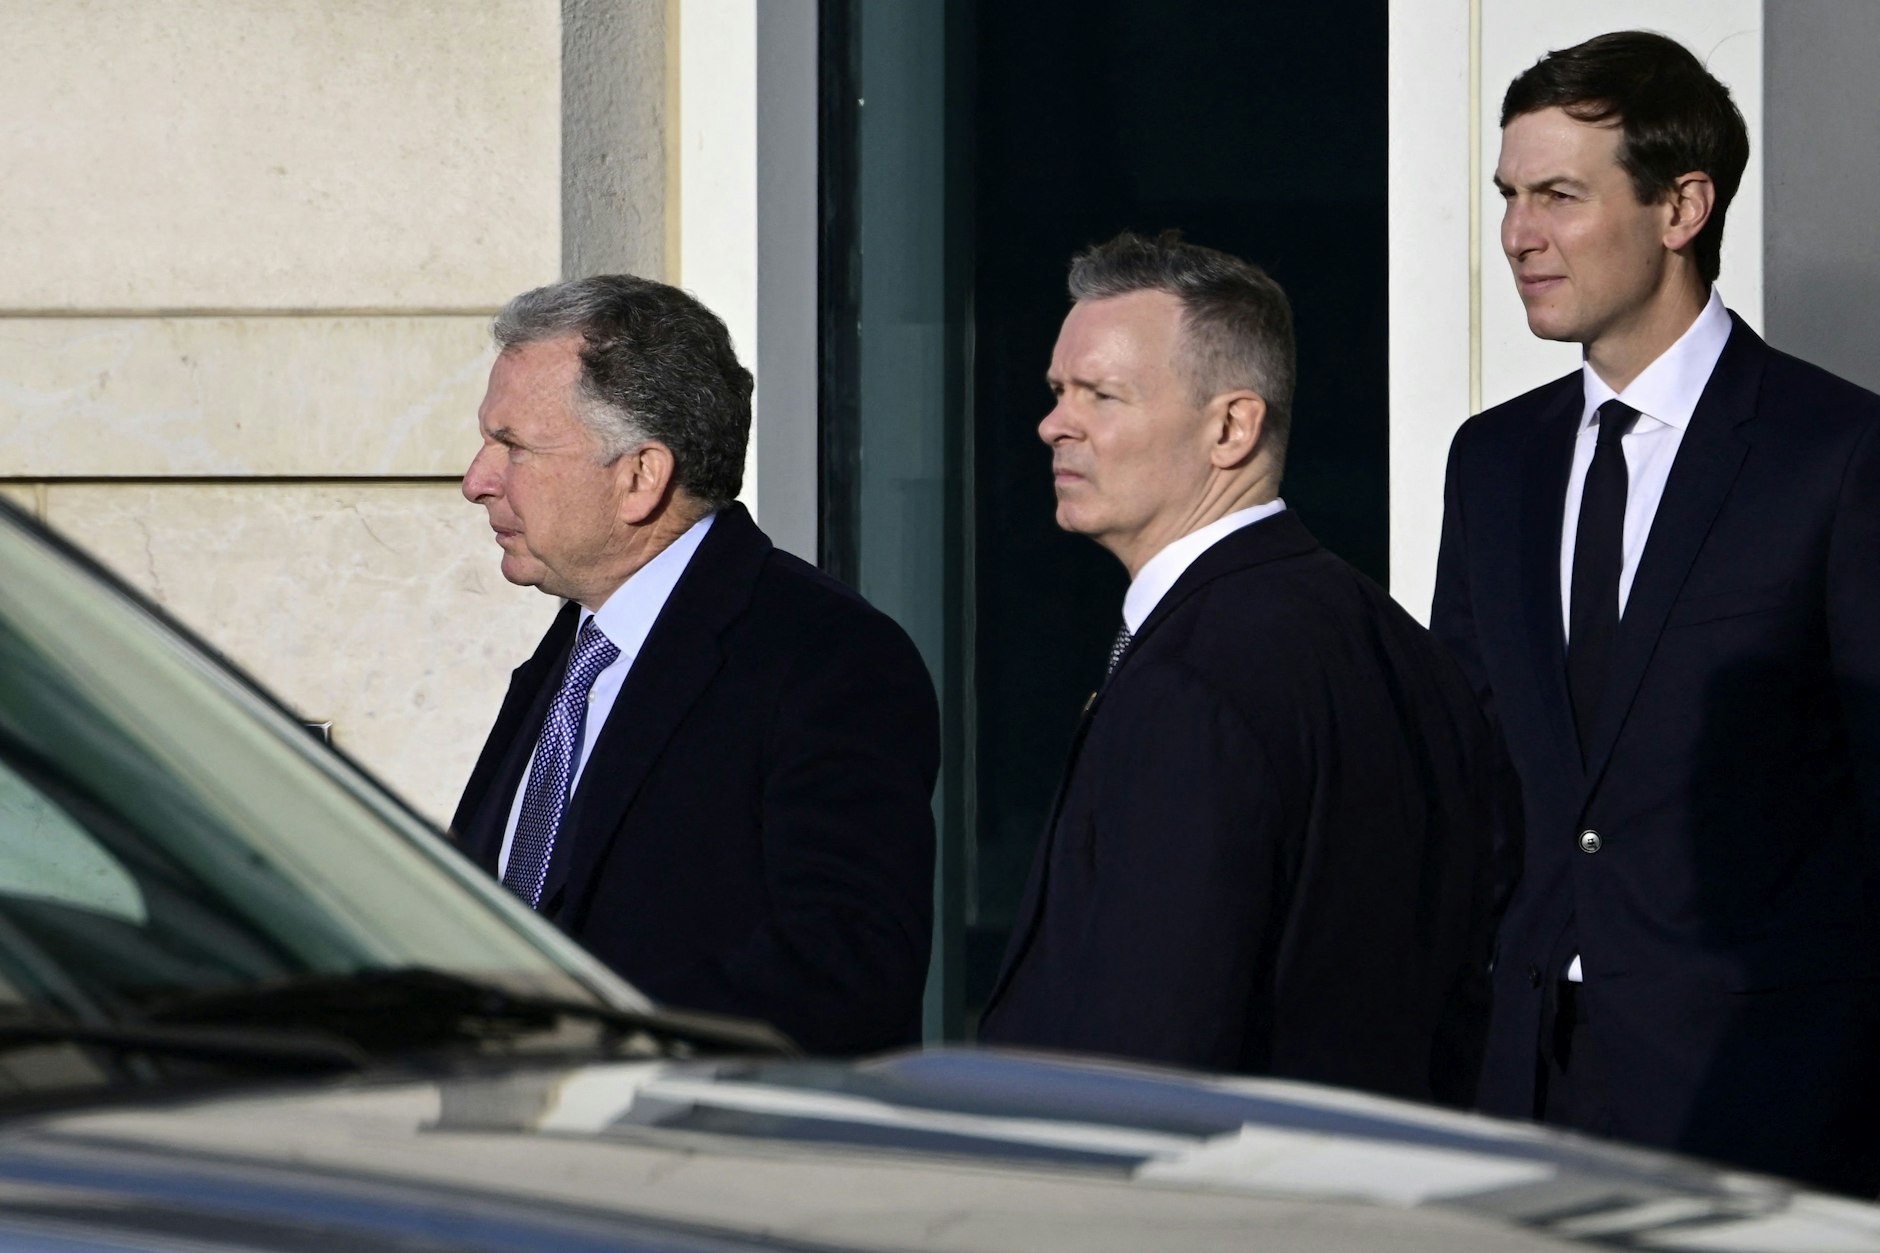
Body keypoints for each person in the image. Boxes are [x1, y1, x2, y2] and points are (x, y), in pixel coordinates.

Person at [1433, 31, 1880, 1193]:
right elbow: (1471, 777)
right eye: (1507, 197)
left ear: (1681, 206)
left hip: (1763, 1105)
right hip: (1521, 1093)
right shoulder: (1492, 463)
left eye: (1557, 196)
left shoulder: (1834, 455)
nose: (1515, 235)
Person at [977, 232, 1508, 1105]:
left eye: (1101, 395)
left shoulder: (1194, 681)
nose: (1053, 424)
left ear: (1231, 426)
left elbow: (1148, 1049)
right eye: (1056, 391)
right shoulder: (1399, 647)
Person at [452, 275, 940, 1054]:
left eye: (513, 446)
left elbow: (844, 976)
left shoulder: (828, 661)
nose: (478, 479)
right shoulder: (572, 647)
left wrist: (577, 1040)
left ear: (641, 476)